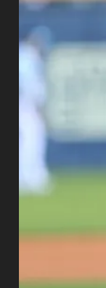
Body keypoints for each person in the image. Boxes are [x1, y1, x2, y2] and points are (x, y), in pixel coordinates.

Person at [19, 28, 51, 194]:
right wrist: (39, 106)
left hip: (25, 104)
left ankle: (26, 177)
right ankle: (31, 178)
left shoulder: (23, 55)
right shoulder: (29, 57)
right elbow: (32, 87)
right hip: (26, 105)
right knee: (32, 142)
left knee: (26, 143)